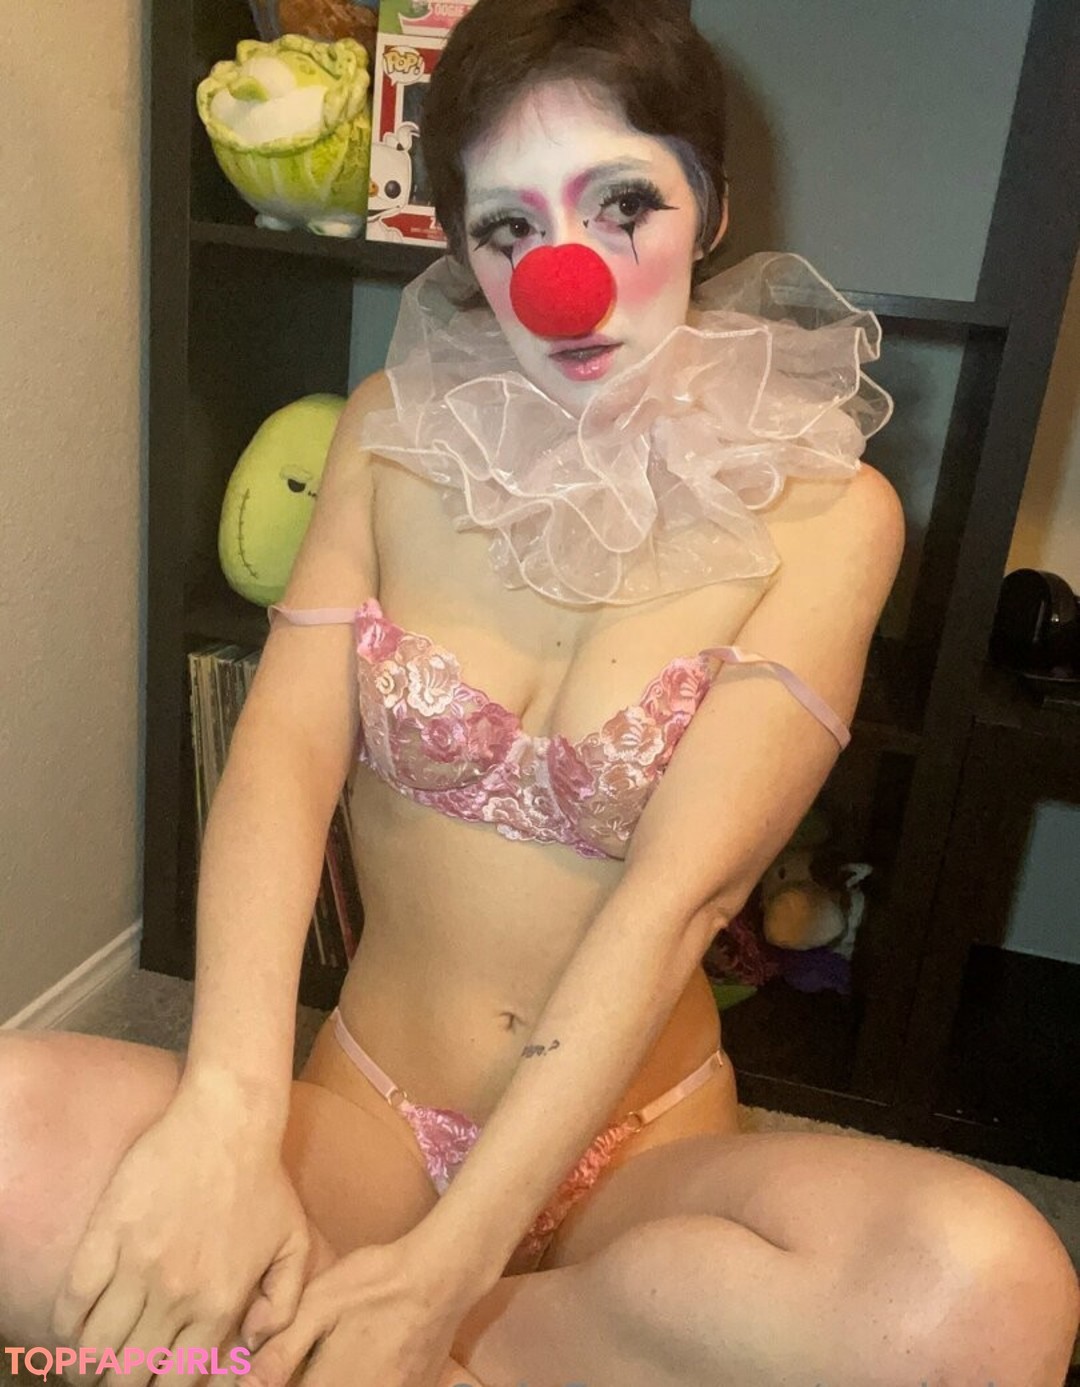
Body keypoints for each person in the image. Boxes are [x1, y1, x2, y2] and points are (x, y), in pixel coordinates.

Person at [1, 2, 1077, 1385]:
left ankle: (398, 1349)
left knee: (985, 1293)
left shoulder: (831, 512)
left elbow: (678, 896)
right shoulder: (389, 436)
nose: (565, 277)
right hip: (366, 1112)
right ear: (461, 246)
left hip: (637, 1156)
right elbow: (280, 755)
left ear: (711, 204)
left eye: (624, 203)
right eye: (508, 227)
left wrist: (445, 1276)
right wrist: (225, 1109)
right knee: (15, 1133)